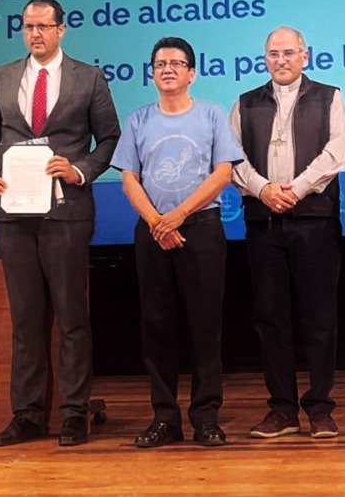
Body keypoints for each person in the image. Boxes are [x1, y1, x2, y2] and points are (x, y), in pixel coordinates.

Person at [0, 0, 121, 448]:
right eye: (27, 27)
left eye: (42, 26)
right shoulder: (1, 76)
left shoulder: (88, 78)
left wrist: (79, 170)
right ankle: (27, 414)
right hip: (14, 212)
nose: (34, 34)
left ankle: (74, 412)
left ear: (61, 29)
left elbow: (110, 137)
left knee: (72, 317)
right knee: (25, 319)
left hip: (66, 213)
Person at [112, 36, 245, 449]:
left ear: (192, 73)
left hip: (201, 229)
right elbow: (129, 178)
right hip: (153, 232)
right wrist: (158, 222)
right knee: (157, 327)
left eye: (176, 63)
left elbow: (223, 173)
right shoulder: (138, 120)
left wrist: (179, 215)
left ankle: (206, 417)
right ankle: (165, 418)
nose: (167, 69)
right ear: (152, 73)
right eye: (160, 64)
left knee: (205, 327)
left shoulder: (211, 114)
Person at [229, 26, 345, 440]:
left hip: (314, 220)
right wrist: (263, 189)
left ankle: (320, 407)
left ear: (305, 56)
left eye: (288, 52)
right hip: (263, 223)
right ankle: (282, 409)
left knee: (319, 316)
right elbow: (231, 158)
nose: (280, 60)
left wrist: (296, 190)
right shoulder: (245, 103)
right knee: (270, 317)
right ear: (265, 59)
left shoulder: (329, 96)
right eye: (273, 54)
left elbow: (336, 151)